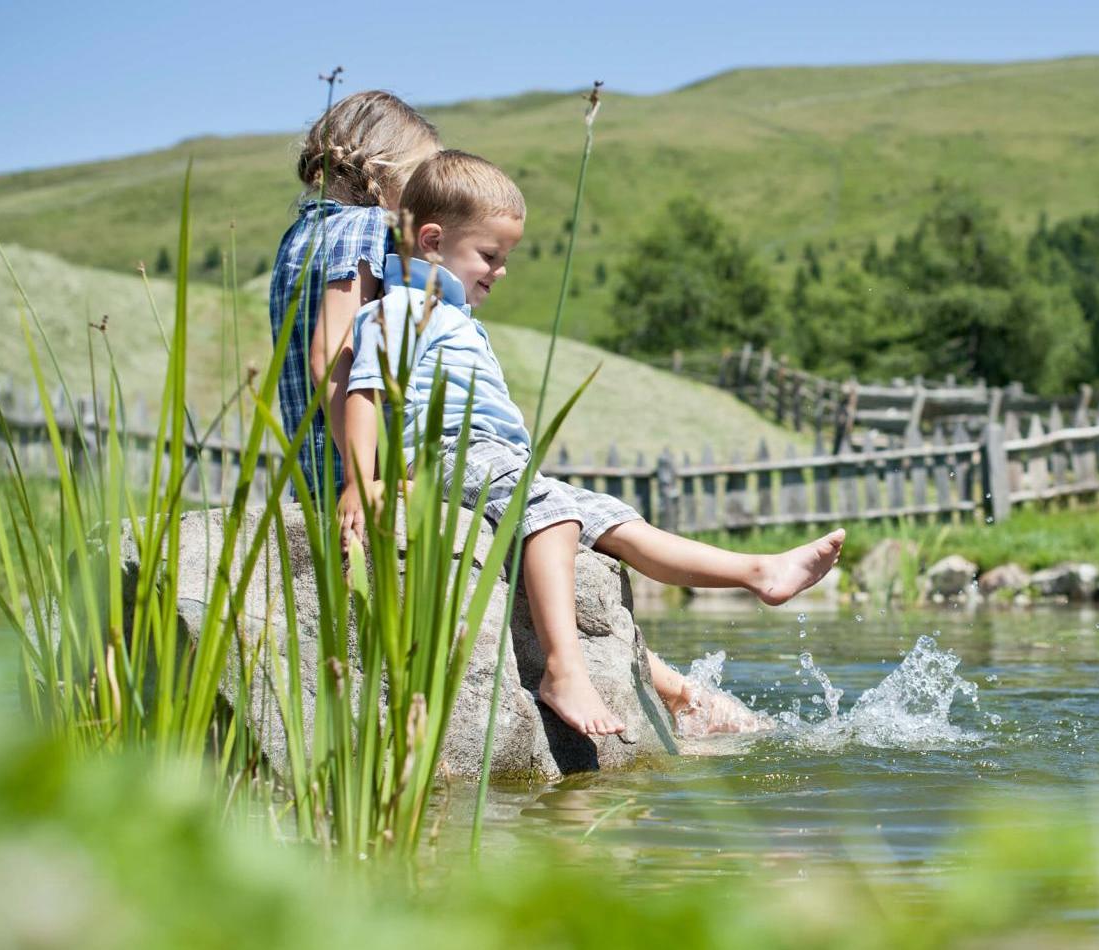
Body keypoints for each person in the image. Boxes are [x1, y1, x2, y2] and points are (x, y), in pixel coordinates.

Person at [339, 150, 844, 737]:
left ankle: (757, 572)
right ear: (430, 240)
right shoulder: (399, 309)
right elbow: (365, 391)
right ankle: (563, 670)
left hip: (499, 461)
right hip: (450, 450)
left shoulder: (450, 314)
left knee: (613, 519)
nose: (501, 272)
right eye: (490, 255)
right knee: (553, 516)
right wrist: (360, 481)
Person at [267, 90, 441, 500]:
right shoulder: (367, 226)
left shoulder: (299, 234)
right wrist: (367, 477)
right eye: (420, 178)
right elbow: (330, 352)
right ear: (388, 169)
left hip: (314, 473)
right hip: (355, 471)